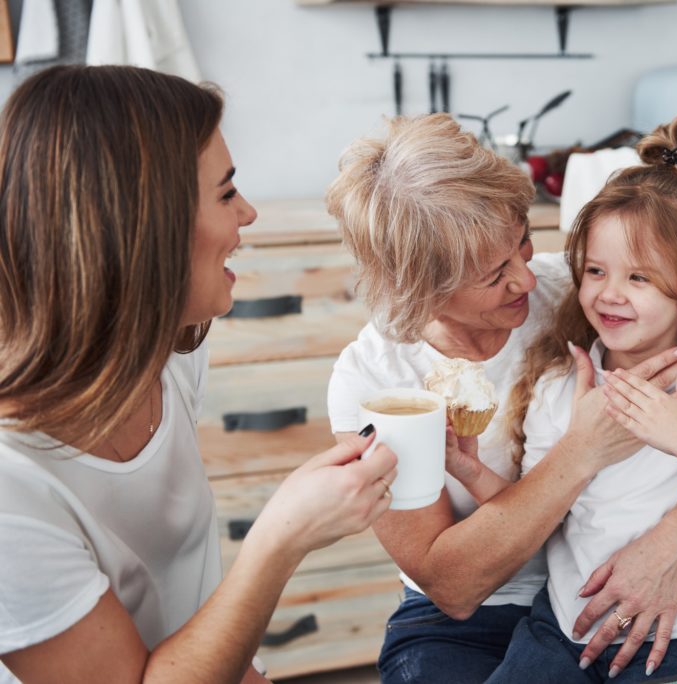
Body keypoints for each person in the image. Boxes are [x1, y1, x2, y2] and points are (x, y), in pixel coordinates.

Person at [0, 65, 398, 684]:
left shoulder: (169, 356)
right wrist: (280, 537)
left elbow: (189, 621)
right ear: (140, 224)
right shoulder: (10, 488)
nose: (249, 214)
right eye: (224, 193)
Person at [324, 113, 677, 683]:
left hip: (604, 585)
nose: (526, 279)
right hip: (461, 623)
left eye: (522, 243)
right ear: (419, 287)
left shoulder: (583, 293)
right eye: (494, 275)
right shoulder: (377, 382)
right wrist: (583, 450)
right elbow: (454, 585)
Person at [446, 114, 677, 682]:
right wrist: (472, 473)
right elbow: (542, 519)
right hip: (563, 631)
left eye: (639, 278)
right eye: (596, 270)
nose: (610, 294)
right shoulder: (561, 385)